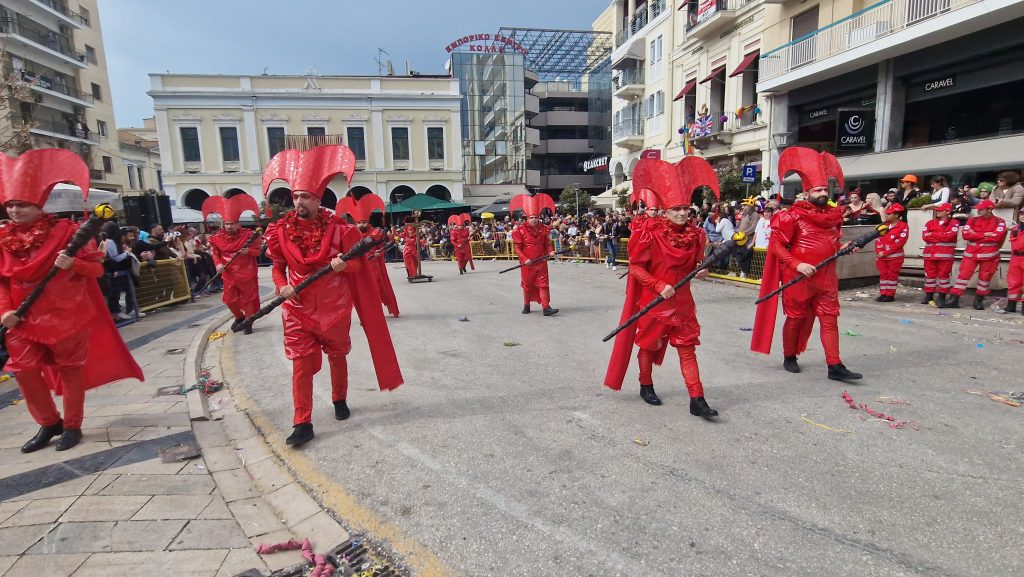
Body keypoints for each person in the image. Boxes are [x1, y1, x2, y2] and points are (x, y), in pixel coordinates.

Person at [0, 148, 142, 452]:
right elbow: (3, 281)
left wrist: (73, 264)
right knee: (23, 370)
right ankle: (49, 422)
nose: (14, 211)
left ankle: (73, 425)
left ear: (38, 204)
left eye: (21, 205)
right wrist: (5, 311)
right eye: (10, 205)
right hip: (21, 318)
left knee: (70, 371)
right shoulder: (3, 240)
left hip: (66, 315)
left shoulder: (68, 233)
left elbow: (95, 268)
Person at [261, 145, 403, 446]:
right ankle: (302, 421)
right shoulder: (279, 231)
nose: (299, 202)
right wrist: (280, 286)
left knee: (338, 356)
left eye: (305, 197)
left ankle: (339, 399)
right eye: (296, 196)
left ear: (317, 199)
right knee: (301, 365)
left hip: (335, 308)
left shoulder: (340, 230)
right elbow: (278, 267)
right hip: (297, 309)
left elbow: (357, 266)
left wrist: (343, 265)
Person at [604, 156, 719, 417]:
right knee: (648, 346)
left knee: (687, 348)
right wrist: (658, 285)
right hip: (655, 303)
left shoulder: (697, 235)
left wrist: (700, 271)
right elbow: (635, 267)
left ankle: (697, 397)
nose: (682, 213)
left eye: (685, 208)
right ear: (665, 210)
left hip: (684, 304)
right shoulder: (648, 234)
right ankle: (646, 384)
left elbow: (694, 266)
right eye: (676, 208)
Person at [751, 147, 862, 382]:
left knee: (830, 318)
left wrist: (845, 248)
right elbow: (777, 247)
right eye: (818, 190)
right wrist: (798, 264)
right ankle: (789, 356)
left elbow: (833, 246)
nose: (823, 193)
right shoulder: (791, 216)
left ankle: (835, 365)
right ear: (806, 192)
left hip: (826, 277)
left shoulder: (833, 218)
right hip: (798, 277)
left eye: (825, 189)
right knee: (795, 318)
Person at [204, 195, 262, 335]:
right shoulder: (216, 237)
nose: (229, 226)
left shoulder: (249, 235)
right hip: (228, 272)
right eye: (227, 223)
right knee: (229, 299)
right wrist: (218, 264)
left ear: (238, 223)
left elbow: (258, 252)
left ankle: (248, 322)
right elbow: (215, 253)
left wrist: (248, 251)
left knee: (248, 299)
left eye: (232, 223)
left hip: (246, 272)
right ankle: (239, 317)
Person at [336, 193, 399, 318]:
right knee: (362, 292)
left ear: (368, 221)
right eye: (358, 222)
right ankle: (366, 314)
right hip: (358, 267)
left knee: (377, 290)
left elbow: (386, 244)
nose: (361, 225)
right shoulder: (351, 233)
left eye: (363, 222)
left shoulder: (376, 232)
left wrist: (380, 252)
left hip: (374, 266)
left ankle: (380, 311)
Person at [943, 199, 1007, 310]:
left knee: (984, 279)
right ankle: (954, 300)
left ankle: (978, 301)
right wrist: (986, 234)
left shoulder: (999, 221)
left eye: (981, 209)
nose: (978, 211)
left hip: (989, 256)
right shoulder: (972, 220)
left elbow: (997, 236)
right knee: (962, 278)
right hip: (971, 255)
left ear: (990, 209)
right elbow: (966, 235)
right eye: (978, 209)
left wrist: (976, 234)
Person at [510, 193, 558, 316]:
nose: (534, 219)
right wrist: (525, 259)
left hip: (541, 262)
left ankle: (546, 307)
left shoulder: (543, 229)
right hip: (527, 264)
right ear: (527, 218)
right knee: (527, 285)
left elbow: (546, 244)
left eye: (536, 217)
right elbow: (517, 249)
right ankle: (526, 305)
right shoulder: (520, 231)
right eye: (531, 217)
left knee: (543, 284)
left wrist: (550, 251)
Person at [920, 203, 959, 306]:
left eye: (940, 210)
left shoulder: (954, 223)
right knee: (930, 277)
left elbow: (949, 237)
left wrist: (932, 234)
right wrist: (942, 235)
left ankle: (941, 297)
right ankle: (929, 297)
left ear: (947, 212)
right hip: (930, 255)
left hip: (945, 255)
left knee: (944, 277)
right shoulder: (930, 223)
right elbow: (924, 237)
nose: (937, 211)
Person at [873, 203, 908, 302]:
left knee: (892, 276)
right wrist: (879, 251)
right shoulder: (884, 226)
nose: (887, 216)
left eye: (889, 214)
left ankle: (890, 294)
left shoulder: (903, 227)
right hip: (882, 257)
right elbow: (878, 239)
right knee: (883, 275)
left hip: (895, 257)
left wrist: (886, 252)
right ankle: (883, 293)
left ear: (896, 215)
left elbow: (899, 242)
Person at [1003, 207, 1024, 314]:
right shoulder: (1015, 229)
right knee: (1013, 282)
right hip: (1015, 257)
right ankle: (1011, 305)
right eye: (1021, 214)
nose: (1023, 216)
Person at [400, 216, 420, 280]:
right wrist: (393, 230)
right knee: (408, 264)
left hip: (414, 250)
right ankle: (410, 275)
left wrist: (419, 241)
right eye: (409, 230)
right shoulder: (405, 233)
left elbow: (419, 241)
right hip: (407, 251)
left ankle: (414, 274)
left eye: (411, 229)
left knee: (415, 263)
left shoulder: (416, 233)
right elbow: (398, 235)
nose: (410, 231)